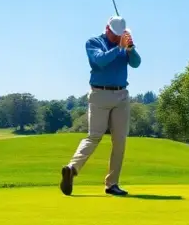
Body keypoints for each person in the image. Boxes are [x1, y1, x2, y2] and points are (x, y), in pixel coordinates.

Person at [60, 16, 141, 197]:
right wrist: (119, 47)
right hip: (99, 95)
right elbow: (100, 61)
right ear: (107, 28)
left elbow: (136, 63)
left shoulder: (124, 43)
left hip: (121, 95)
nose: (115, 37)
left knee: (120, 140)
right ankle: (72, 169)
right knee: (94, 136)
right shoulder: (94, 42)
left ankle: (112, 184)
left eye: (119, 34)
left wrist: (131, 48)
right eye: (113, 34)